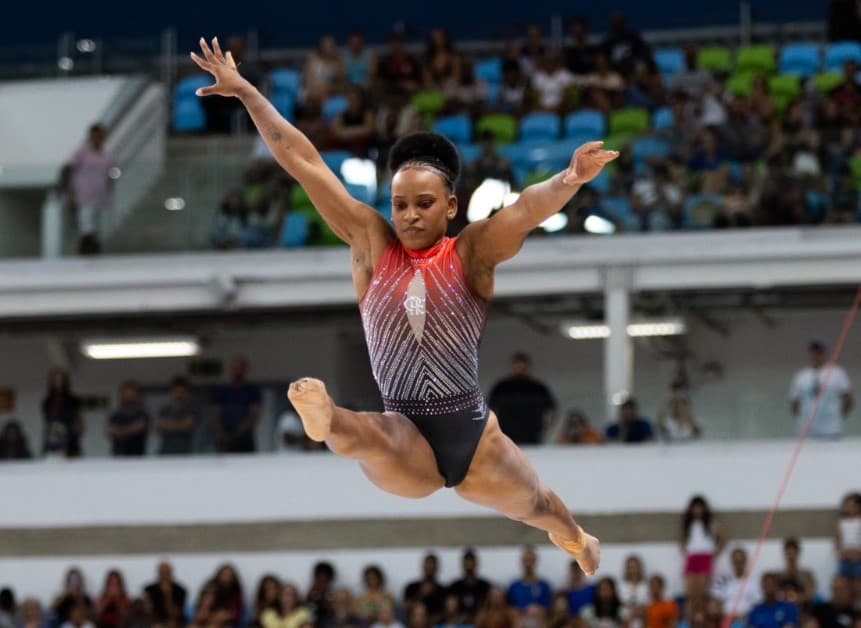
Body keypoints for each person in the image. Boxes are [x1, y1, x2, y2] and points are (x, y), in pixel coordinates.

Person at [192, 36, 615, 571]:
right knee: (369, 436)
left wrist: (570, 178)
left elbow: (526, 210)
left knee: (540, 507)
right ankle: (325, 420)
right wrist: (249, 93)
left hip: (472, 431)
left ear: (451, 205)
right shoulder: (371, 243)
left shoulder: (471, 253)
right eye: (399, 204)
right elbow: (304, 162)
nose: (409, 215)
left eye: (423, 204)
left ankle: (579, 540)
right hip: (406, 432)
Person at [67, 124, 117, 255]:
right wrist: (71, 193)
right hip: (84, 195)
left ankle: (95, 251)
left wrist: (109, 194)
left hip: (101, 196)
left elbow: (110, 178)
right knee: (86, 225)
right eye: (94, 136)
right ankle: (85, 251)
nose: (97, 139)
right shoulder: (81, 154)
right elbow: (70, 171)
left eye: (100, 136)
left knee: (97, 227)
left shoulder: (107, 156)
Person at [487, 352, 557, 445]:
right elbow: (489, 411)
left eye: (522, 367)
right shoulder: (501, 388)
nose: (520, 370)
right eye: (517, 367)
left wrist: (546, 430)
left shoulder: (538, 388)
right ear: (512, 367)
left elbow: (552, 411)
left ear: (528, 367)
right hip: (506, 435)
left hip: (532, 435)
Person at [789, 339, 853, 439]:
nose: (816, 355)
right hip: (807, 432)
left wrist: (837, 417)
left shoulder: (837, 373)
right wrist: (802, 419)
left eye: (819, 351)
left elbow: (848, 399)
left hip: (831, 430)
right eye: (813, 352)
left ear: (823, 353)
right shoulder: (801, 376)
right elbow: (795, 403)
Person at [211, 355, 261, 453]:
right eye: (235, 368)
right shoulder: (222, 390)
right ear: (231, 369)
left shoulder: (252, 391)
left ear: (245, 370)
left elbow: (254, 414)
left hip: (245, 439)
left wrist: (242, 429)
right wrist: (220, 431)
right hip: (224, 438)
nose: (238, 370)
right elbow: (215, 413)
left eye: (240, 368)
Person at [681, 495, 725, 606]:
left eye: (699, 508)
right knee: (691, 592)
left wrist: (716, 553)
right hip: (692, 557)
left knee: (701, 592)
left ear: (704, 509)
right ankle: (690, 618)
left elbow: (723, 539)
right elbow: (683, 540)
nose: (697, 511)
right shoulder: (688, 525)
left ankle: (700, 616)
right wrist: (685, 551)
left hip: (705, 557)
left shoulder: (711, 524)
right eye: (695, 508)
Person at [709, 547, 761, 622]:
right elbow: (714, 604)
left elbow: (758, 606)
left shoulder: (755, 583)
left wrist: (742, 618)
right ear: (732, 562)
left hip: (746, 621)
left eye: (741, 561)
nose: (738, 564)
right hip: (724, 620)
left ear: (745, 561)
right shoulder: (721, 580)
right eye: (736, 561)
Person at [42, 368, 84, 458]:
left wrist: (78, 427)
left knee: (73, 464)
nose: (58, 382)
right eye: (56, 380)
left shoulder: (72, 400)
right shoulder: (48, 401)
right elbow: (47, 419)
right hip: (52, 436)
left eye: (60, 380)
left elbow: (78, 419)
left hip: (70, 436)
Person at [156, 377, 199, 455]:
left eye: (182, 392)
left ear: (187, 393)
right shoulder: (164, 410)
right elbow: (159, 428)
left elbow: (187, 427)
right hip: (165, 452)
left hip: (185, 453)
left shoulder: (192, 409)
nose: (179, 395)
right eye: (176, 391)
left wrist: (168, 425)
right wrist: (180, 425)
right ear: (172, 392)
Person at [106, 381, 150, 457]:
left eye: (131, 394)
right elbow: (109, 432)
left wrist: (119, 432)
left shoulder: (142, 414)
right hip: (119, 455)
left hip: (138, 455)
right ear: (121, 395)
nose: (129, 397)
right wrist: (131, 429)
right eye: (126, 394)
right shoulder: (115, 414)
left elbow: (141, 428)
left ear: (137, 395)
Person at [447, 549, 492, 621]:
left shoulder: (485, 586)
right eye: (467, 563)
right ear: (462, 565)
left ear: (476, 564)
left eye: (471, 563)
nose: (469, 566)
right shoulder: (454, 586)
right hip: (459, 620)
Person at [402, 553, 446, 622]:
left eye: (432, 566)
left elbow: (446, 612)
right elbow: (406, 608)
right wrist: (421, 594)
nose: (429, 568)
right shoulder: (411, 587)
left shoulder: (442, 590)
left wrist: (429, 621)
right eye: (427, 566)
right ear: (423, 567)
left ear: (437, 568)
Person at [507, 545, 552, 612]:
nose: (528, 564)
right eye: (526, 560)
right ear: (522, 561)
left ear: (535, 561)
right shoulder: (514, 586)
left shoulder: (544, 586)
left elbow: (548, 607)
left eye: (531, 560)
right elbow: (509, 607)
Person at [143, 562, 187, 628]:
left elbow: (177, 613)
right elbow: (147, 611)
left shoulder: (180, 590)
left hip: (175, 621)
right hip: (154, 621)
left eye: (167, 573)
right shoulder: (149, 589)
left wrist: (167, 594)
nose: (164, 576)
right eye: (162, 573)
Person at [835, 492, 861, 598]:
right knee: (845, 583)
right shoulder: (842, 523)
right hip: (845, 558)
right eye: (846, 505)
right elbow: (837, 539)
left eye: (851, 505)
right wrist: (840, 553)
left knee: (857, 583)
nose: (848, 508)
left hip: (858, 558)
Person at [778, 538, 816, 607]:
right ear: (785, 554)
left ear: (798, 553)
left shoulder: (807, 575)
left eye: (793, 554)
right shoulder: (779, 577)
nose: (791, 557)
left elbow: (810, 595)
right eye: (789, 554)